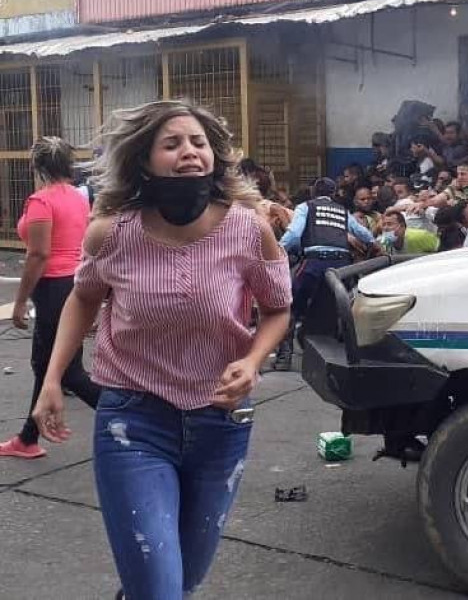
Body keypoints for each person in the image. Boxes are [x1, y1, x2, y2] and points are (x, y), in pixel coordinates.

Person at [30, 101, 292, 599]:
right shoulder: (112, 234)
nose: (189, 152)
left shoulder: (248, 229)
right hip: (133, 423)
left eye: (198, 142)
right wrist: (52, 380)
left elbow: (278, 309)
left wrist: (252, 360)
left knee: (184, 579)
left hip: (220, 423)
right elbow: (83, 299)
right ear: (144, 161)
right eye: (171, 144)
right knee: (158, 589)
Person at [0, 137, 101, 460]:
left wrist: (20, 302)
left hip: (53, 288)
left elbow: (38, 255)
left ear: (38, 166)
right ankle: (27, 438)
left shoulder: (40, 202)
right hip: (74, 282)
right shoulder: (78, 198)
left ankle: (131, 421)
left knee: (68, 372)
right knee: (45, 365)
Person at [278, 177, 374, 370]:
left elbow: (294, 235)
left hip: (314, 263)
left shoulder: (306, 207)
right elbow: (363, 234)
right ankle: (341, 354)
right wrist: (373, 244)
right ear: (333, 194)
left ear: (313, 192)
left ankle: (284, 356)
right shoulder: (342, 211)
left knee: (290, 306)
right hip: (341, 266)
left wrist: (277, 249)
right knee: (337, 308)